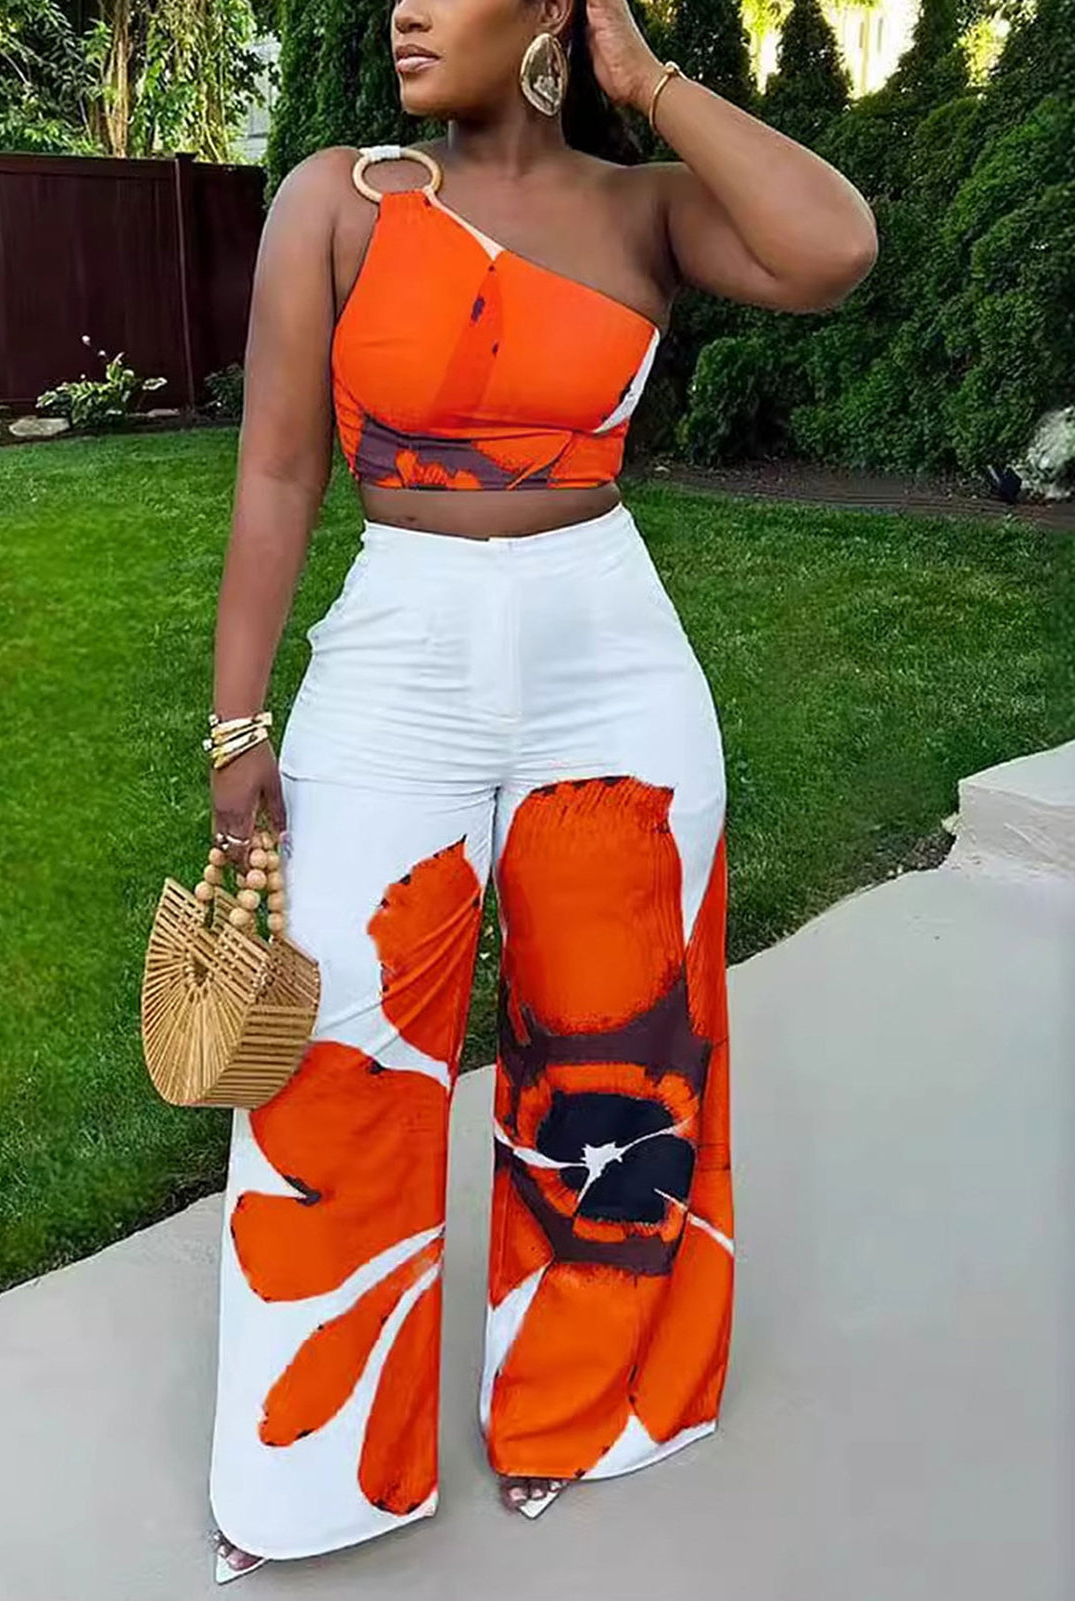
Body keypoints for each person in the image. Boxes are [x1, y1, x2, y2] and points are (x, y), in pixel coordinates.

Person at [203, 0, 877, 1582]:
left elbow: (834, 247)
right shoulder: (338, 199)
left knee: (613, 1061)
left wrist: (646, 79)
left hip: (612, 665)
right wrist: (236, 723)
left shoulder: (642, 210)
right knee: (337, 1058)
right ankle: (310, 1472)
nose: (406, 9)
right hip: (397, 655)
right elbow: (280, 470)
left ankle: (576, 1409)